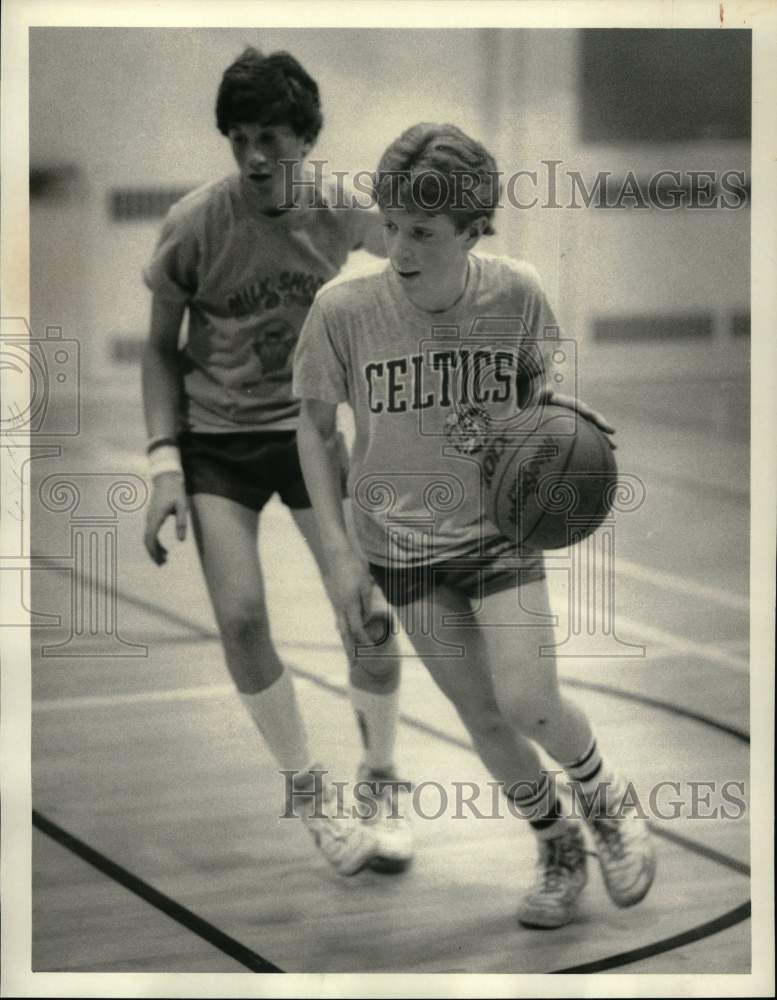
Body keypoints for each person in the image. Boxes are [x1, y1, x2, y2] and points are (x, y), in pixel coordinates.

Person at [293, 122, 656, 927]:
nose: (397, 246)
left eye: (419, 231)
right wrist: (341, 556)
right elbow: (314, 433)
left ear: (469, 227)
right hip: (402, 551)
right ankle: (556, 842)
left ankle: (603, 801)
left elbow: (541, 386)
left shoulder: (516, 292)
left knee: (529, 699)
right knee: (483, 718)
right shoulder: (342, 310)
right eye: (388, 225)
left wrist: (557, 415)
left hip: (498, 536)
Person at [141, 47, 412, 876]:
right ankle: (311, 798)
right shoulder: (195, 224)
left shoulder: (334, 210)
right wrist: (162, 468)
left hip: (305, 433)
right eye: (239, 138)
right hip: (217, 443)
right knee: (242, 620)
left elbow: (411, 243)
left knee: (363, 612)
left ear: (304, 138)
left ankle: (380, 779)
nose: (254, 157)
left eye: (270, 138)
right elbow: (158, 351)